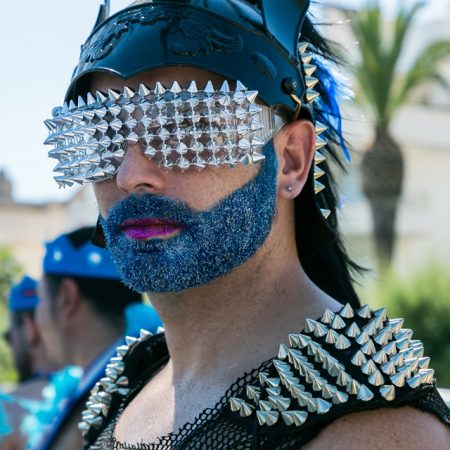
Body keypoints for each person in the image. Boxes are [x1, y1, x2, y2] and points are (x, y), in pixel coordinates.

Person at [43, 1, 450, 449]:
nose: (130, 174)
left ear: (291, 160)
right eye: (105, 136)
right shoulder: (126, 382)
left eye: (185, 130)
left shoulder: (375, 430)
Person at [34, 226, 162, 450]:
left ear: (66, 298)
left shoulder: (119, 398)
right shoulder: (144, 374)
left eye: (40, 300)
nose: (36, 323)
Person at [1, 277, 54, 450]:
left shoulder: (6, 409)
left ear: (29, 326)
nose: (11, 347)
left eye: (9, 337)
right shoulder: (94, 387)